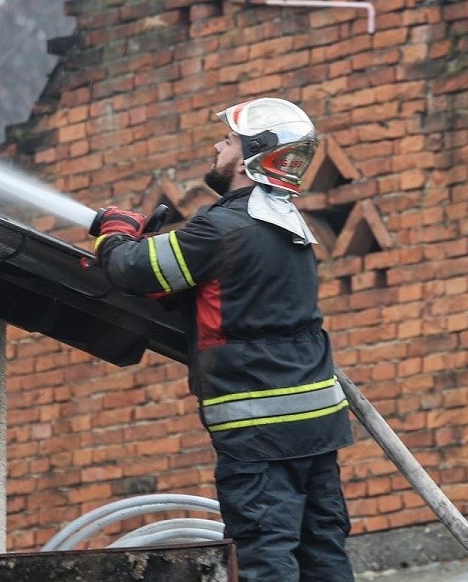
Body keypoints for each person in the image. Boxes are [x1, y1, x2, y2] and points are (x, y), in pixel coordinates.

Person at [89, 97, 354, 581]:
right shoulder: (290, 225)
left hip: (259, 433)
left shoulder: (221, 228)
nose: (217, 145)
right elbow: (246, 303)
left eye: (228, 140)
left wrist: (114, 233)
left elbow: (135, 269)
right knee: (322, 553)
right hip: (317, 425)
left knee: (265, 555)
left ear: (252, 155)